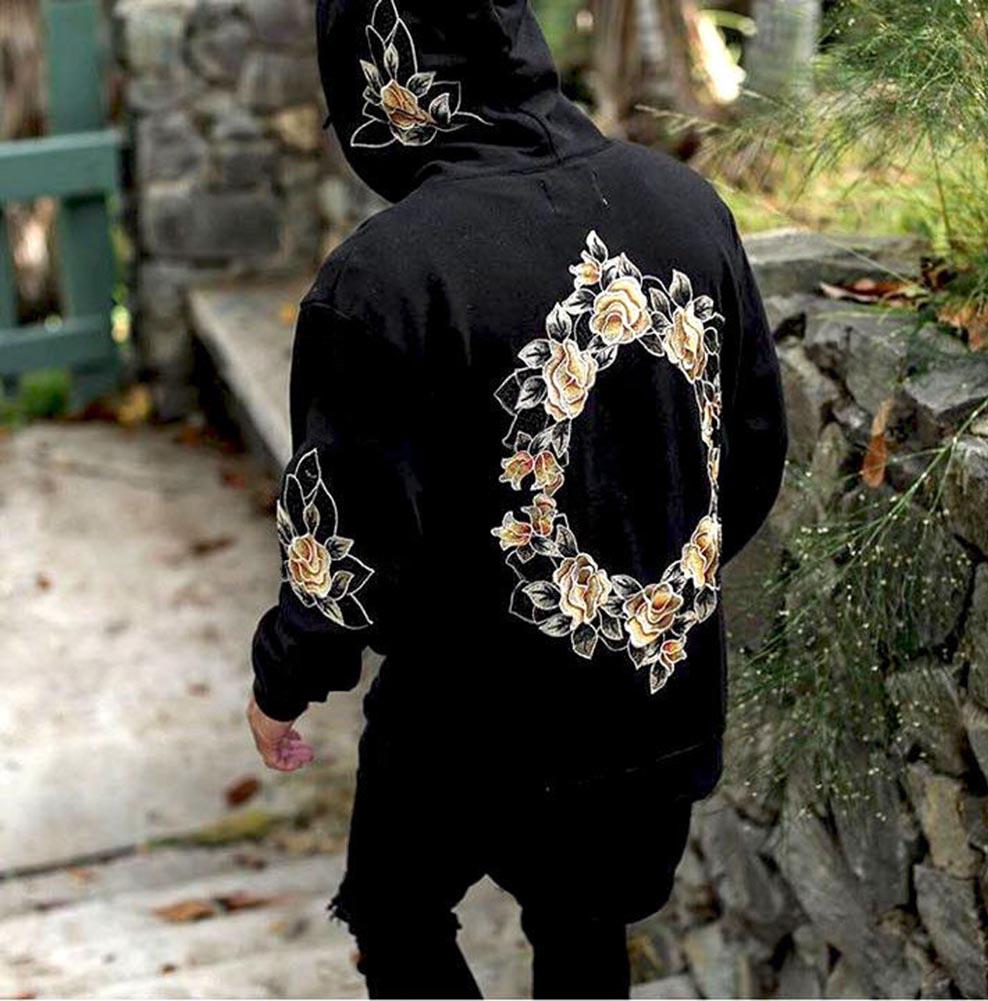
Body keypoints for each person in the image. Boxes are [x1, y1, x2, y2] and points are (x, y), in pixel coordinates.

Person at [247, 1, 788, 997]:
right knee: (584, 924)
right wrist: (646, 592)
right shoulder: (683, 206)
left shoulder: (387, 277)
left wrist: (282, 681)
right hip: (654, 712)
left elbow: (347, 558)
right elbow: (748, 457)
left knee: (394, 911)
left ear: (375, 75)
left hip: (471, 730)